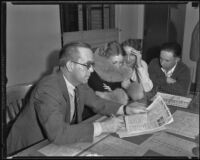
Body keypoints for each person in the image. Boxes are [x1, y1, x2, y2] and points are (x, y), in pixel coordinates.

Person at [7, 42, 147, 155]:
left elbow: (96, 101)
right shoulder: (48, 89)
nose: (92, 70)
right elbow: (59, 133)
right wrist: (103, 127)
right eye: (88, 65)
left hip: (53, 143)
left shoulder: (78, 83)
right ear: (70, 65)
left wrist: (125, 109)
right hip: (29, 149)